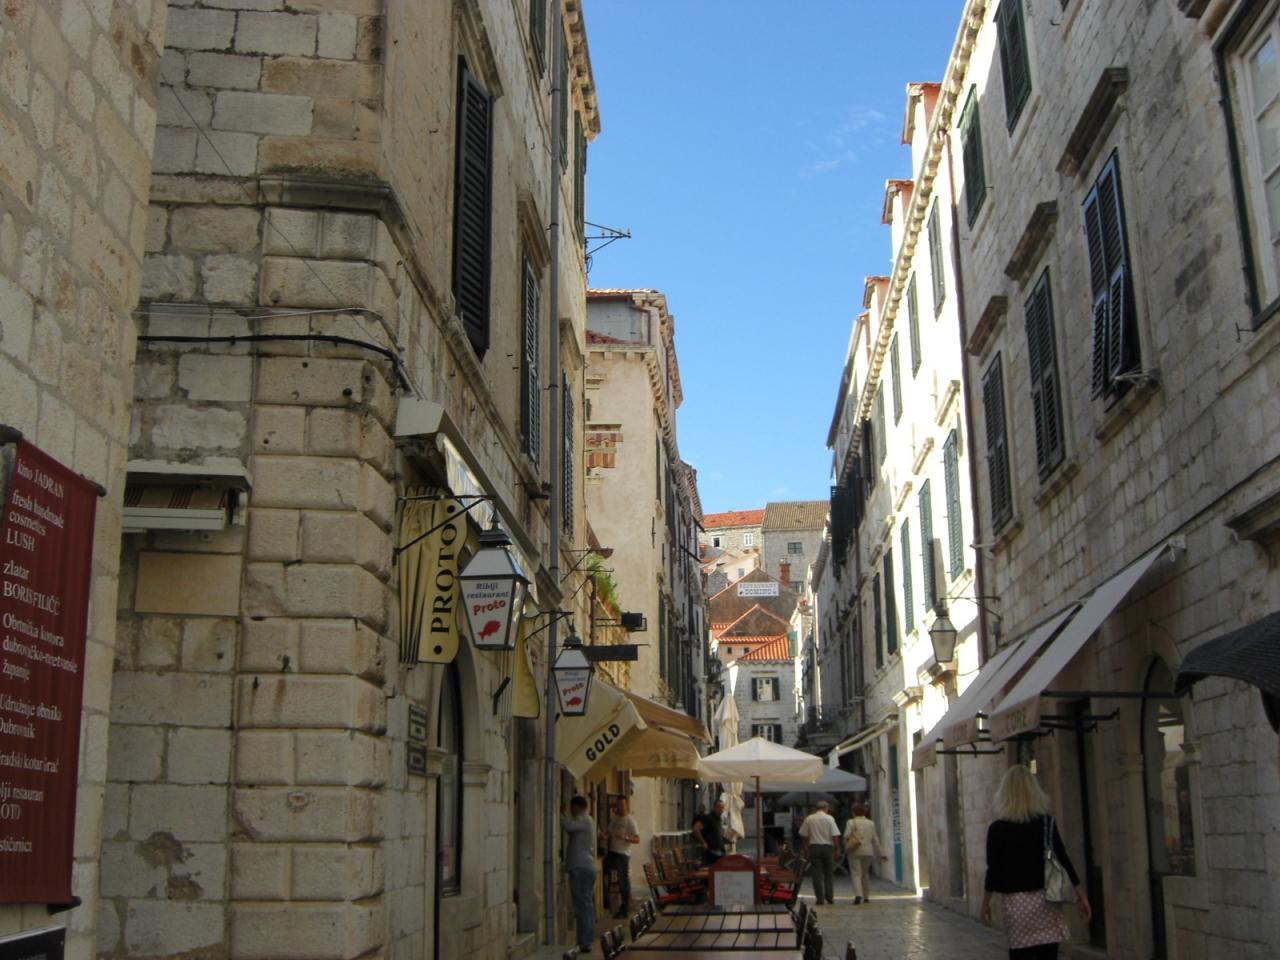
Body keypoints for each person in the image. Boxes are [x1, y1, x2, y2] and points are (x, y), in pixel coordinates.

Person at [980, 765, 1092, 959]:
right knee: (1047, 955)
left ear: (1005, 794)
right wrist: (1081, 895)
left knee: (1020, 955)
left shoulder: (997, 829)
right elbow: (1063, 859)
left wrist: (985, 903)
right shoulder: (1047, 824)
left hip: (1016, 906)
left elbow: (993, 871)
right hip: (1045, 903)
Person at [561, 795, 597, 954]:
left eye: (571, 808)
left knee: (583, 906)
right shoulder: (588, 820)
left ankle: (585, 941)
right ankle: (584, 940)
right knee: (585, 906)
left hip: (581, 868)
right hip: (584, 867)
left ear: (576, 807)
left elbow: (568, 826)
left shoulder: (584, 819)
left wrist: (559, 814)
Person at [798, 800, 842, 904]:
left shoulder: (809, 818)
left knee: (816, 873)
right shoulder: (830, 818)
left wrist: (805, 847)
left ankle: (820, 898)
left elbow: (803, 835)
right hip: (827, 847)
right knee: (828, 872)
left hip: (814, 847)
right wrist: (837, 849)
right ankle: (829, 896)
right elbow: (835, 835)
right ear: (826, 808)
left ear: (816, 808)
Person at [843, 802, 887, 904]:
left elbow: (846, 835)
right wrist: (881, 853)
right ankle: (866, 896)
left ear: (853, 812)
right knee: (865, 874)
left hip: (854, 851)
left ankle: (858, 894)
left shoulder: (851, 822)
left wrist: (846, 843)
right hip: (868, 852)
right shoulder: (871, 823)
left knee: (856, 873)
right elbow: (875, 839)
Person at [603, 796, 640, 919]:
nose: (620, 808)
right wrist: (603, 836)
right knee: (602, 873)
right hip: (612, 852)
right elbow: (608, 833)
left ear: (626, 805)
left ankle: (624, 909)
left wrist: (626, 838)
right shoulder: (614, 819)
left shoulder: (630, 820)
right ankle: (607, 902)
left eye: (622, 805)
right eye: (618, 805)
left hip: (623, 854)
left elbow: (637, 839)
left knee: (622, 880)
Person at [691, 797, 726, 864]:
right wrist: (703, 842)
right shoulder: (708, 818)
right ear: (714, 807)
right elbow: (695, 829)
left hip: (719, 851)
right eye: (719, 807)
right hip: (712, 852)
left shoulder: (718, 819)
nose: (721, 810)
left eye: (722, 808)